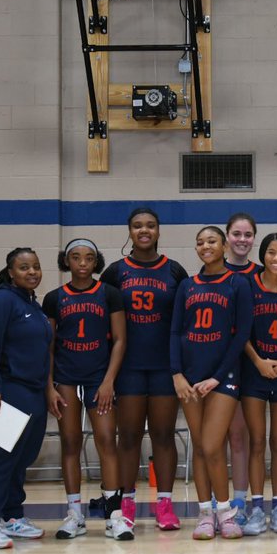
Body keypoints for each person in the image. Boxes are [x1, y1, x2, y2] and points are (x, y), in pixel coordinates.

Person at [100, 208, 189, 533]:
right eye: (137, 226)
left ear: (158, 231)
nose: (144, 230)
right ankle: (126, 504)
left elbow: (183, 322)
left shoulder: (175, 271)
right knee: (130, 438)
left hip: (165, 367)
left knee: (164, 436)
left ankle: (164, 504)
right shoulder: (115, 272)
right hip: (129, 368)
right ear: (129, 230)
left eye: (150, 225)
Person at [42, 239, 128, 540]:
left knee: (106, 439)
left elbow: (119, 340)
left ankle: (114, 516)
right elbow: (48, 346)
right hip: (65, 379)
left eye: (89, 258)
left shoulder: (110, 294)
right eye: (75, 257)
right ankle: (74, 515)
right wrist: (48, 386)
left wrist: (108, 381)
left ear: (96, 262)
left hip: (98, 379)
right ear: (66, 261)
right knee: (70, 442)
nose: (82, 263)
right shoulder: (54, 298)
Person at [172, 226, 253, 540]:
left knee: (211, 445)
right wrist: (177, 373)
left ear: (223, 246)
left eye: (211, 241)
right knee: (202, 448)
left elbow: (241, 334)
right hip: (189, 378)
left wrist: (217, 376)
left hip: (223, 377)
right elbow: (176, 332)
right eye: (200, 242)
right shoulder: (187, 286)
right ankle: (205, 513)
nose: (205, 246)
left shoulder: (238, 283)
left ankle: (225, 512)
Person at [0, 248, 53, 549]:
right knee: (0, 457)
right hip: (4, 388)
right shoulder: (0, 300)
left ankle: (11, 515)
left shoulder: (33, 304)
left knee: (22, 457)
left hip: (31, 390)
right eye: (23, 267)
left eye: (36, 266)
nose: (31, 272)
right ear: (10, 272)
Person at [240, 233, 277, 535]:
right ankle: (256, 509)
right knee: (257, 442)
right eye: (271, 253)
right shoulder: (249, 285)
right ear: (263, 255)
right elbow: (241, 331)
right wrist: (258, 361)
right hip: (254, 371)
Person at [224, 212, 259, 528]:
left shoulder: (261, 274)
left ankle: (241, 500)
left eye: (248, 234)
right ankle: (218, 504)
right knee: (221, 437)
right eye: (237, 234)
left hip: (254, 367)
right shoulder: (213, 274)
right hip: (221, 365)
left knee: (245, 437)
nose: (242, 240)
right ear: (227, 237)